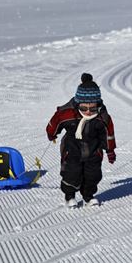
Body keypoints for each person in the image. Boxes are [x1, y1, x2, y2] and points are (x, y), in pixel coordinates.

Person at [46, 73, 117, 208]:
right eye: (84, 108)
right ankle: (69, 196)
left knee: (93, 175)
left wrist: (110, 150)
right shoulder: (68, 113)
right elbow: (55, 121)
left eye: (93, 108)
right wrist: (52, 133)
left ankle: (88, 196)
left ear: (98, 104)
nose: (89, 112)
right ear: (78, 103)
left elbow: (108, 134)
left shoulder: (102, 117)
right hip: (72, 148)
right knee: (71, 173)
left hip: (94, 149)